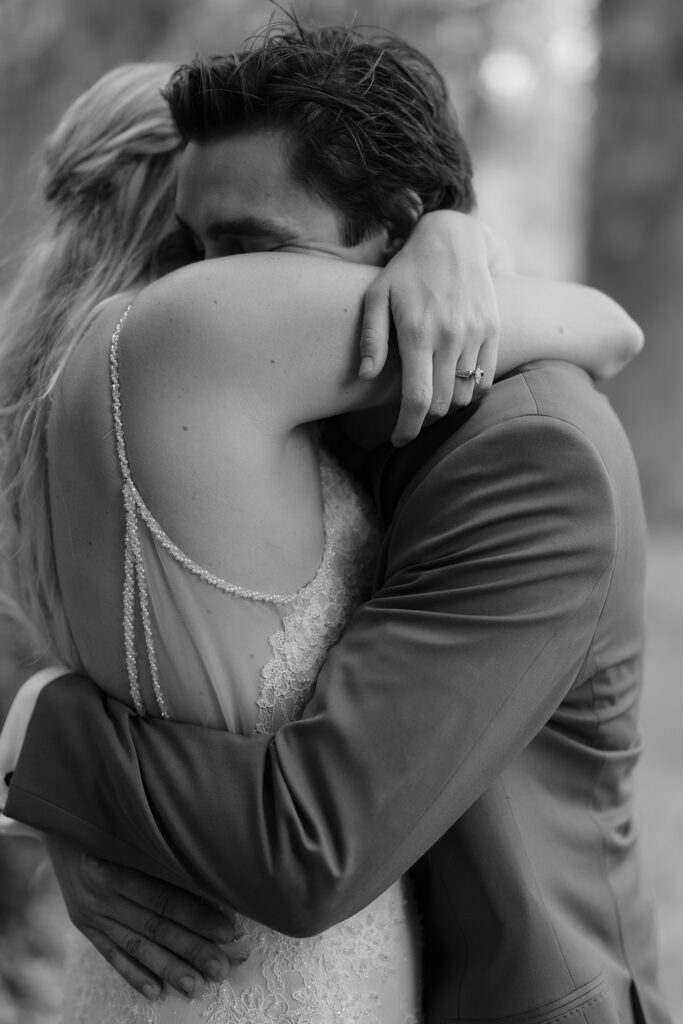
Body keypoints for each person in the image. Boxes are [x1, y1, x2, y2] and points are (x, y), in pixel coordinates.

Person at [0, 23, 664, 1024]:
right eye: (193, 249)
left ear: (398, 231)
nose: (206, 287)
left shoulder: (529, 456)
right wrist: (79, 822)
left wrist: (43, 748)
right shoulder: (285, 410)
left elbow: (310, 842)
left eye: (249, 251)